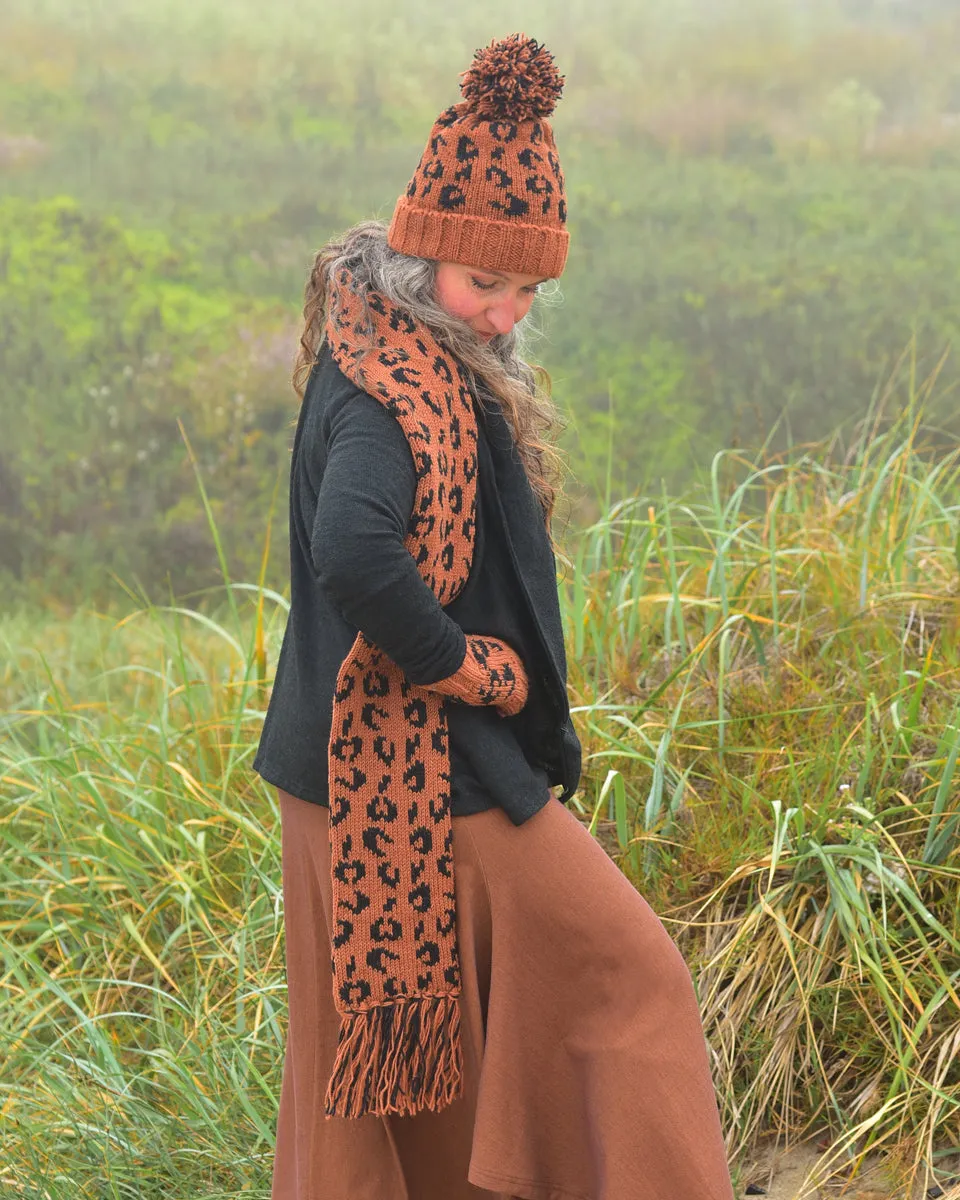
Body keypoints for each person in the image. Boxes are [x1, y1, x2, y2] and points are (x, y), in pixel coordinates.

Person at [253, 32, 736, 1200]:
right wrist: (466, 670)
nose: (509, 314)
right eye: (488, 284)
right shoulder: (388, 392)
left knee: (433, 1082)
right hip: (409, 765)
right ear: (425, 256)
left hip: (358, 776)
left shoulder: (386, 347)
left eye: (529, 289)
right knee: (629, 978)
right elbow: (357, 552)